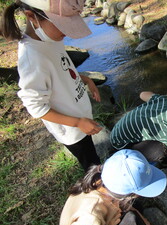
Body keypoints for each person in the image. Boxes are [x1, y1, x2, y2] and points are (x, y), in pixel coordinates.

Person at [0, 0, 103, 171]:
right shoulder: (32, 58)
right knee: (92, 166)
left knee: (93, 157)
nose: (66, 32)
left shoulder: (50, 38)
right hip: (72, 131)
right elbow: (36, 107)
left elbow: (63, 68)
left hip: (80, 120)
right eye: (62, 25)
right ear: (32, 17)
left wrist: (86, 79)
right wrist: (77, 122)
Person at [59, 149, 167, 225]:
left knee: (136, 207)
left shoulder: (102, 179)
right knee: (133, 222)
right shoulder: (90, 217)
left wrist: (137, 212)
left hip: (101, 224)